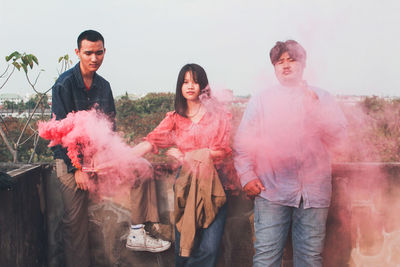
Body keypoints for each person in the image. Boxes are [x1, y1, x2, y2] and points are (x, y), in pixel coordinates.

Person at [51, 30, 169, 267]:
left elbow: (110, 129)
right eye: (88, 53)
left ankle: (138, 231)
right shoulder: (64, 84)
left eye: (99, 52)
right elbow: (58, 133)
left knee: (143, 168)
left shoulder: (104, 86)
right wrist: (77, 170)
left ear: (104, 52)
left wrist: (113, 157)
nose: (94, 58)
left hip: (100, 159)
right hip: (71, 163)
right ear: (78, 53)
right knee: (75, 224)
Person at [233, 40, 347, 267]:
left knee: (310, 259)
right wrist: (247, 176)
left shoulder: (322, 97)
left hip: (314, 193)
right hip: (271, 190)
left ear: (303, 64)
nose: (285, 66)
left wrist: (318, 113)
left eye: (291, 60)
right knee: (266, 258)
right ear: (274, 67)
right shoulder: (261, 100)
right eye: (279, 62)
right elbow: (243, 144)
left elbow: (340, 139)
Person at [128, 63, 231, 267]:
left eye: (195, 81)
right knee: (185, 244)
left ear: (203, 85)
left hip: (214, 182)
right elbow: (151, 142)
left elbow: (222, 151)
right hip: (185, 182)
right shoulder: (174, 118)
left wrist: (186, 157)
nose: (190, 86)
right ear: (180, 87)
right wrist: (119, 157)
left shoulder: (218, 115)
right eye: (185, 82)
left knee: (210, 247)